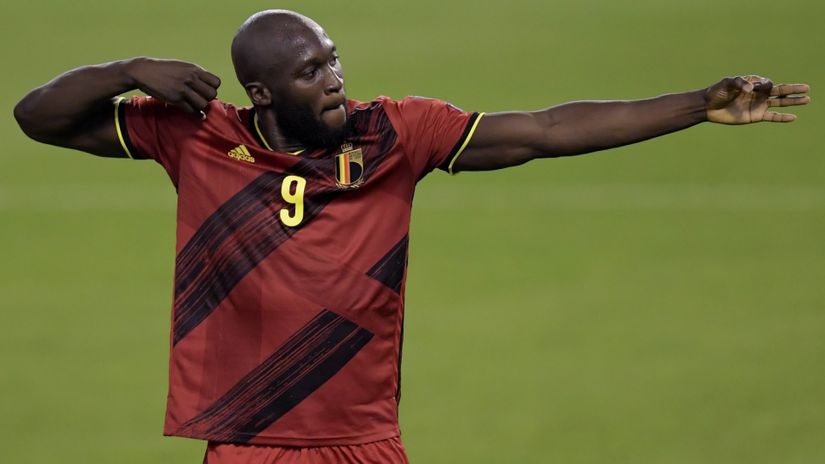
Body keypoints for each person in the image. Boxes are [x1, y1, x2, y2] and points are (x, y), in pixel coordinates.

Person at [13, 8, 810, 464]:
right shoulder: (194, 136)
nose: (333, 79)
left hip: (363, 442)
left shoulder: (393, 136)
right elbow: (38, 116)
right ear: (261, 91)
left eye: (333, 60)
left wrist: (694, 105)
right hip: (248, 441)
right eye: (309, 71)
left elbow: (544, 129)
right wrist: (127, 68)